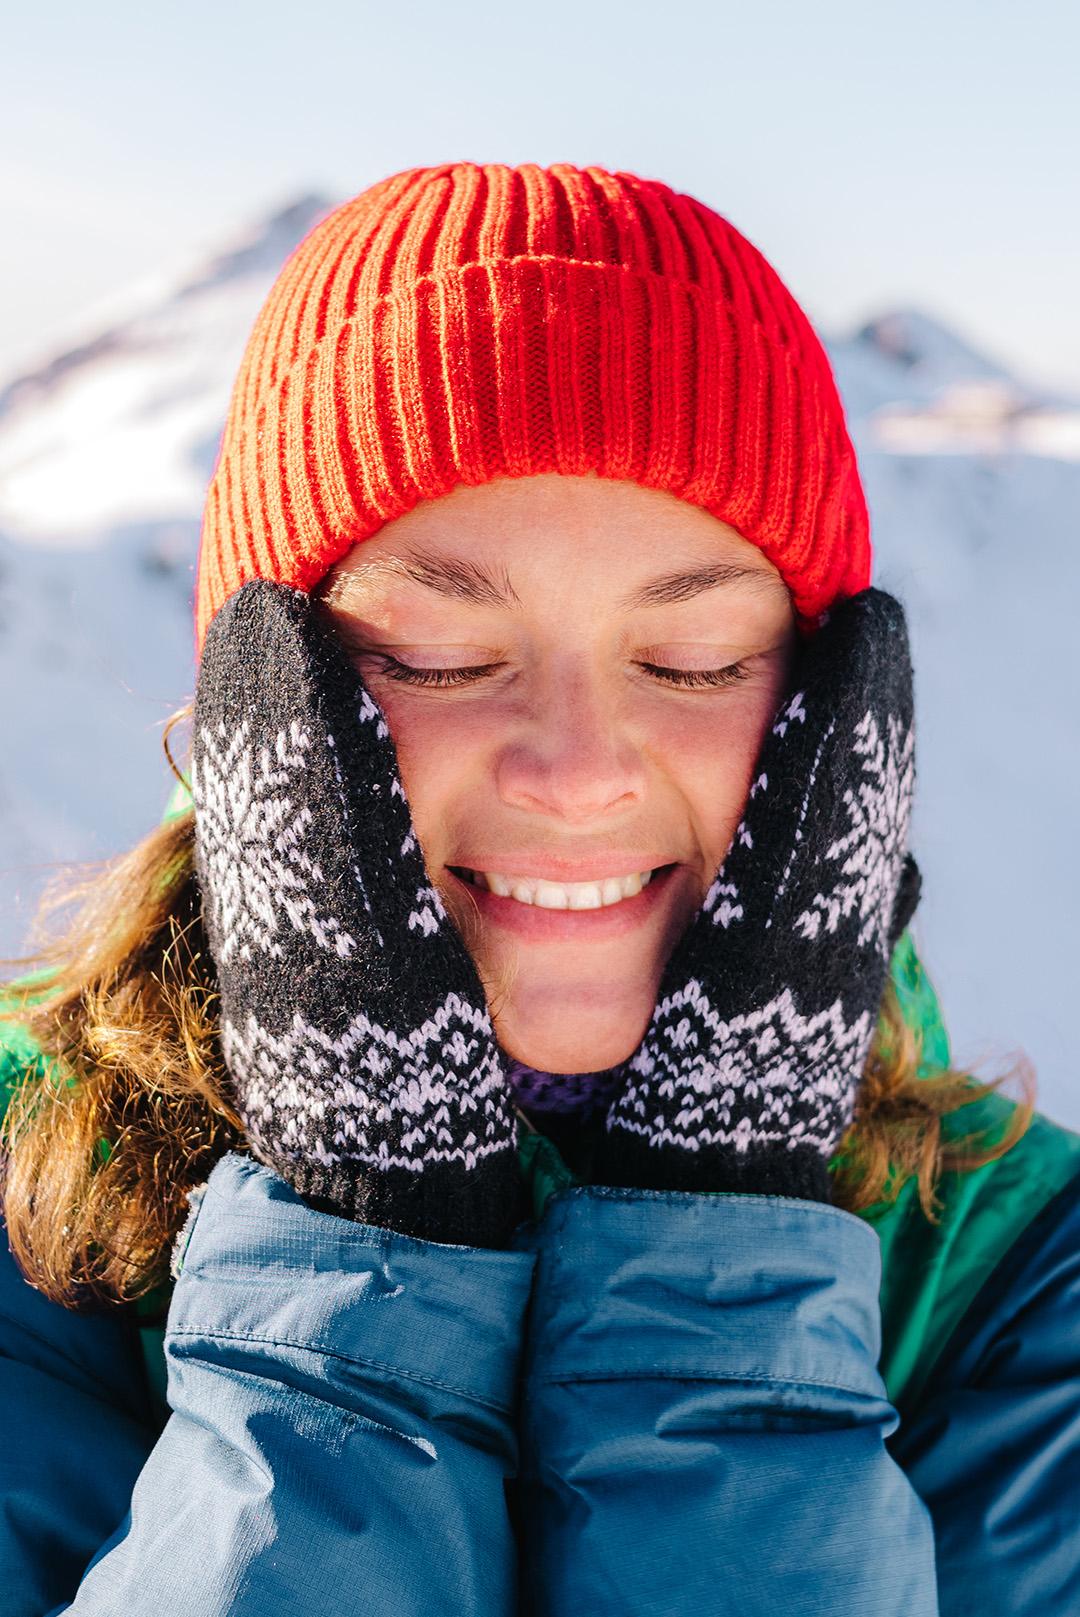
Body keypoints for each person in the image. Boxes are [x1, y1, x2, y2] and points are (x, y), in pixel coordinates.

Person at [0, 161, 1076, 1617]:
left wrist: (726, 1259)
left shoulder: (1025, 1289)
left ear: (835, 714)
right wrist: (359, 1260)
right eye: (437, 658)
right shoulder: (27, 1219)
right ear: (267, 713)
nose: (575, 771)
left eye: (692, 664)